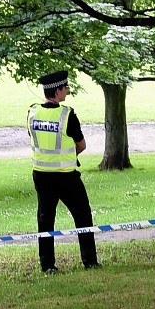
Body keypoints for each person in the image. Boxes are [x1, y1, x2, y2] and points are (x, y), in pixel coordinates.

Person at [28, 70, 100, 273]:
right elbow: (82, 145)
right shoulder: (67, 115)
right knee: (83, 216)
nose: (67, 91)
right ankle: (89, 261)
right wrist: (68, 157)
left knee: (45, 218)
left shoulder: (33, 113)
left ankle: (47, 265)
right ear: (58, 91)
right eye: (66, 88)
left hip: (41, 174)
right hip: (66, 176)